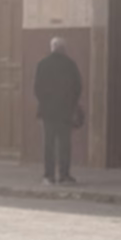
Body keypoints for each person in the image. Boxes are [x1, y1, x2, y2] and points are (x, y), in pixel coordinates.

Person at [34, 36, 82, 185]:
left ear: (52, 48)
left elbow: (37, 88)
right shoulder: (70, 65)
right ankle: (64, 175)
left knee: (48, 144)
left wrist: (44, 102)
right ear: (63, 48)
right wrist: (72, 104)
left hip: (48, 111)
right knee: (64, 145)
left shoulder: (42, 64)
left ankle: (48, 176)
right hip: (65, 111)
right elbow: (78, 87)